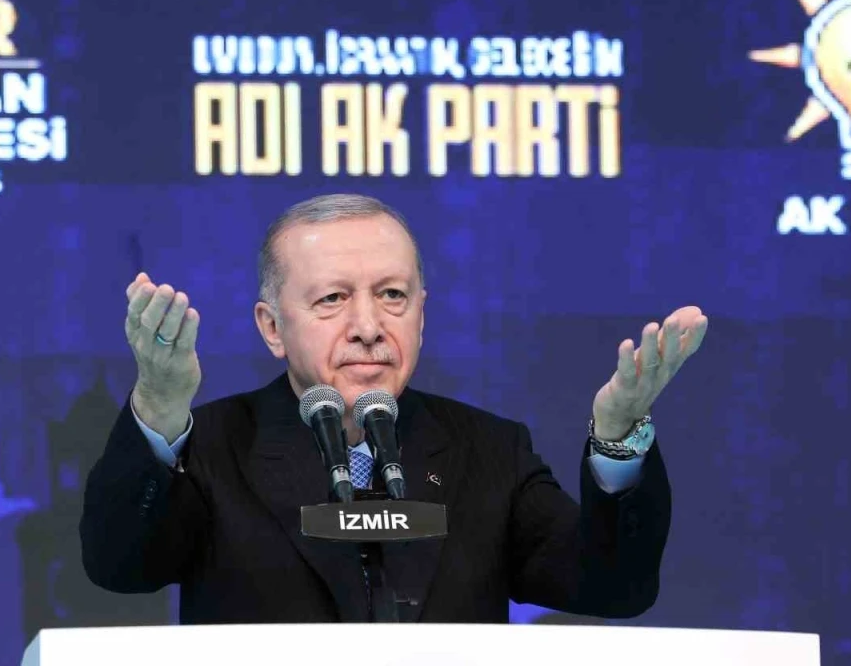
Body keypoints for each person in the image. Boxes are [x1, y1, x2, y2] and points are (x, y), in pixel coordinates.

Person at [80, 194, 708, 623]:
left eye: (392, 295)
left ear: (421, 313)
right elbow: (120, 566)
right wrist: (159, 404)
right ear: (273, 328)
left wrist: (619, 437)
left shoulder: (489, 452)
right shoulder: (215, 448)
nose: (368, 326)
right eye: (332, 299)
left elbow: (613, 586)